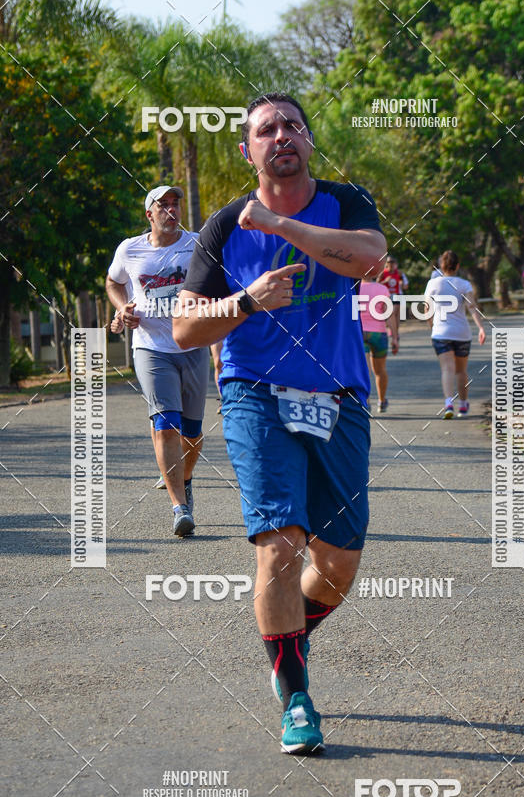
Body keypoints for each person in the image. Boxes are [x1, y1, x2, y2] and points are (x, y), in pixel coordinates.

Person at [173, 92, 386, 754]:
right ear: (249, 149)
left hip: (339, 398)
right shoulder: (221, 228)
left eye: (293, 126)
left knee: (339, 564)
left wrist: (281, 226)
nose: (282, 136)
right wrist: (246, 300)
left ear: (309, 141)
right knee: (281, 542)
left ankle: (283, 641)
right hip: (255, 394)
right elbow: (184, 326)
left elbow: (368, 258)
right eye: (267, 130)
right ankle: (295, 694)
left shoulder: (347, 201)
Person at [106, 185, 209, 537]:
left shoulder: (197, 244)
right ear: (148, 214)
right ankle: (180, 507)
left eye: (175, 204)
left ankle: (186, 477)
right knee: (166, 423)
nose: (171, 210)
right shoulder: (130, 249)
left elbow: (216, 283)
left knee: (193, 434)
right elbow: (113, 282)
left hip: (193, 345)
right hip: (150, 348)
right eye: (162, 206)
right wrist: (122, 310)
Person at [424, 249, 486, 419]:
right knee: (461, 371)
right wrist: (481, 327)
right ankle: (464, 404)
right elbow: (472, 307)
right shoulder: (464, 284)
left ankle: (448, 402)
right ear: (457, 266)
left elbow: (427, 309)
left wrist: (432, 327)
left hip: (440, 332)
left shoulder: (433, 284)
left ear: (441, 266)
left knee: (447, 369)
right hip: (462, 332)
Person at [359, 277, 398, 412]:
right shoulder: (382, 289)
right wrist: (394, 337)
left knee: (365, 370)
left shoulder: (355, 288)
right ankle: (381, 402)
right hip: (379, 334)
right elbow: (389, 314)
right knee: (380, 371)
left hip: (360, 333)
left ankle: (366, 402)